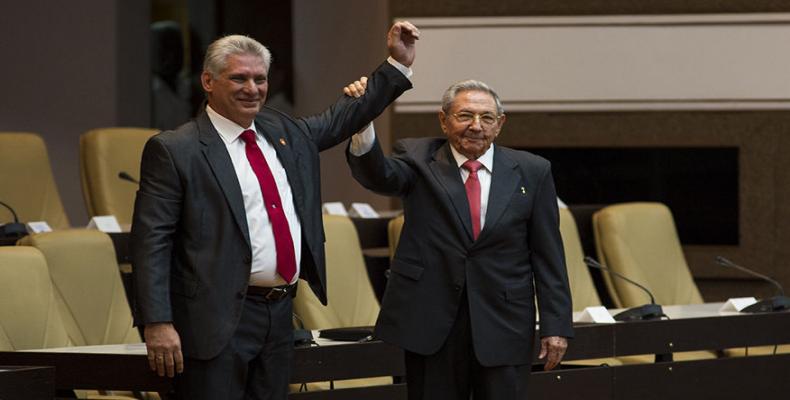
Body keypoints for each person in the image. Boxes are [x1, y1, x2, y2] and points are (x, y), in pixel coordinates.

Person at [131, 21, 418, 399]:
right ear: (207, 81)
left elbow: (340, 118)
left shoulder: (282, 131)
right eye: (239, 78)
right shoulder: (175, 149)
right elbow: (151, 242)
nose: (252, 89)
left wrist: (396, 64)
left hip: (278, 314)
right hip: (212, 320)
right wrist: (157, 323)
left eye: (260, 79)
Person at [345, 79, 573, 400]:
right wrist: (363, 120)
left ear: (500, 124)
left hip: (504, 321)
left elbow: (547, 253)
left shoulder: (533, 171)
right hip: (432, 321)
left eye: (486, 118)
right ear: (444, 120)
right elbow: (378, 175)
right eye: (465, 116)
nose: (476, 126)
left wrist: (556, 325)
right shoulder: (417, 157)